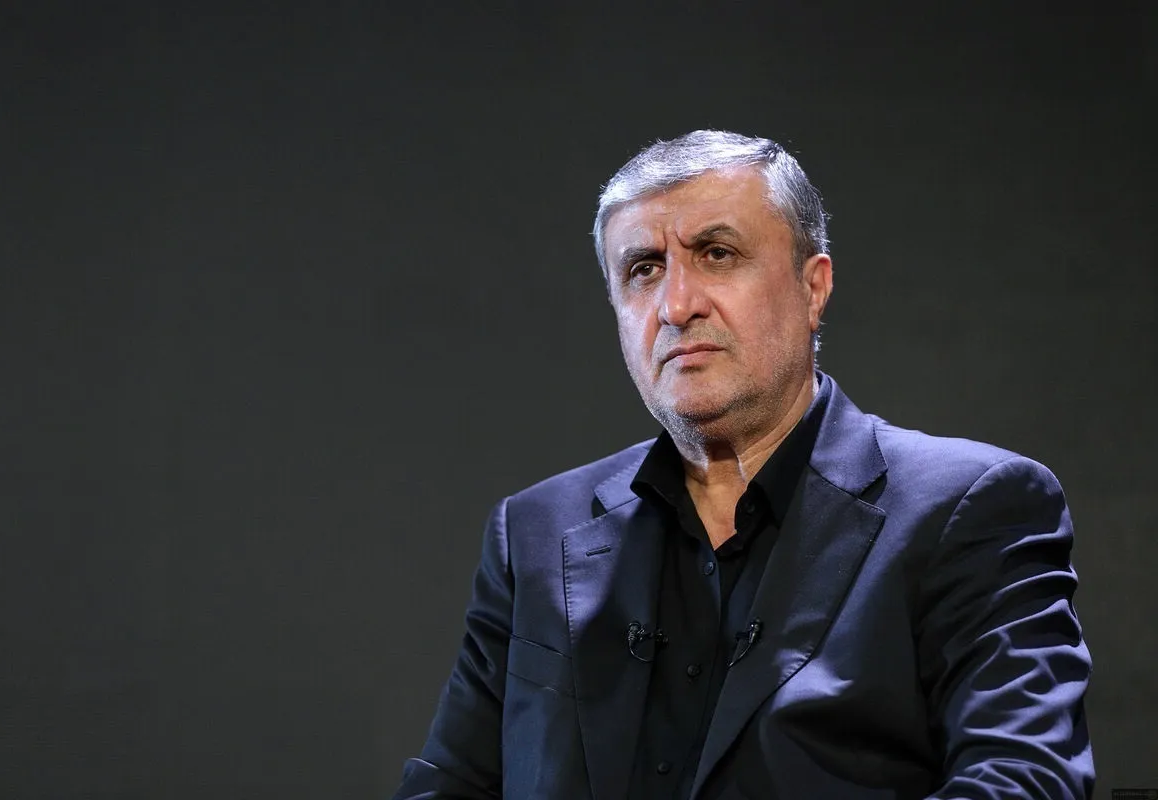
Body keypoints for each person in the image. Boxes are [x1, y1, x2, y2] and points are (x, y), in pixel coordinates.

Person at [392, 130, 1094, 799]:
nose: (676, 306)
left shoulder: (969, 508)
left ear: (813, 288)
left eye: (717, 254)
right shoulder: (534, 535)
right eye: (643, 270)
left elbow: (1023, 779)